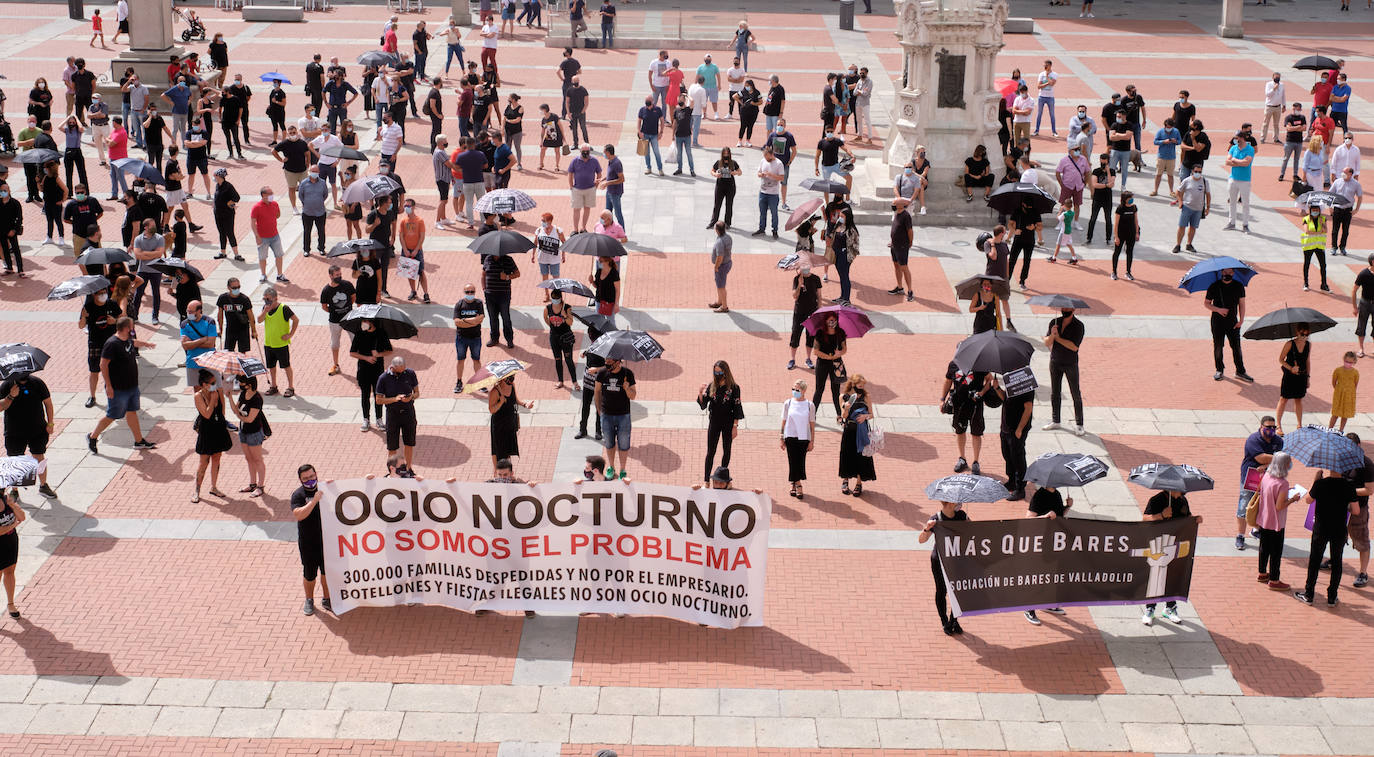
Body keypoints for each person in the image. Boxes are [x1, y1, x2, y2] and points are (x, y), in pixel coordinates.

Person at [87, 317, 157, 454]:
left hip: (132, 386)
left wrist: (146, 343)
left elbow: (133, 342)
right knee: (112, 415)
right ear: (126, 328)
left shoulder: (127, 339)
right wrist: (108, 386)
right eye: (132, 326)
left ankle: (139, 441)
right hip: (118, 389)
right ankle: (92, 437)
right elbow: (103, 364)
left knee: (132, 412)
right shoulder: (112, 344)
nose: (133, 329)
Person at [1296, 468, 1360, 608]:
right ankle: (1332, 596)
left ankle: (1309, 594)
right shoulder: (1348, 485)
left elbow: (1308, 500)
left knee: (1315, 560)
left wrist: (1315, 480)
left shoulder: (1321, 484)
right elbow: (1356, 510)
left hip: (1321, 528)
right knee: (1337, 562)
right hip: (1339, 529)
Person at [1139, 487, 1200, 624]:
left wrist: (1195, 520)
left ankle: (1170, 608)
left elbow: (1187, 517)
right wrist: (1161, 515)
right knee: (1156, 576)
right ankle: (1150, 609)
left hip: (1175, 544)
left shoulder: (1182, 500)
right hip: (1158, 543)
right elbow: (1145, 519)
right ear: (1172, 489)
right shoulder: (1156, 500)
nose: (1183, 493)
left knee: (1173, 576)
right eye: (1181, 490)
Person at [0, 372, 56, 498]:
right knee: (14, 461)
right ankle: (14, 491)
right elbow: (0, 407)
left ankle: (43, 486)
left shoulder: (37, 383)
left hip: (37, 429)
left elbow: (48, 403)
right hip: (14, 431)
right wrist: (11, 396)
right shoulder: (6, 385)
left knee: (39, 456)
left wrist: (50, 423)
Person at [1254, 450, 1301, 593]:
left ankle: (1262, 573)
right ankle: (1274, 580)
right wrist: (1292, 499)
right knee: (1276, 552)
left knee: (1264, 548)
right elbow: (1280, 506)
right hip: (1276, 523)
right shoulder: (1283, 483)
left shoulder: (1266, 476)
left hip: (1263, 518)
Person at [919, 499, 966, 635]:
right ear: (950, 503)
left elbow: (972, 532)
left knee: (958, 592)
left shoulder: (961, 516)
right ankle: (945, 621)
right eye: (957, 502)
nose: (959, 504)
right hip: (939, 561)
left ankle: (954, 620)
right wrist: (927, 528)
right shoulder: (936, 519)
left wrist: (969, 525)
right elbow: (921, 540)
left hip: (957, 560)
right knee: (942, 591)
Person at [290, 464, 332, 616]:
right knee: (310, 574)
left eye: (312, 476)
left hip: (327, 541)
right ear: (300, 480)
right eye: (306, 478)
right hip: (308, 542)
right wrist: (313, 501)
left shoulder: (325, 489)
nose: (310, 480)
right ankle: (309, 599)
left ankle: (327, 598)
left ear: (316, 474)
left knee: (327, 572)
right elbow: (298, 514)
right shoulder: (298, 495)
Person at [1237, 416, 1283, 550]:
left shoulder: (1278, 441)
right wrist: (1276, 458)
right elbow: (1261, 458)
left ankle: (1257, 530)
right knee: (1244, 504)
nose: (1271, 430)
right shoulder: (1253, 440)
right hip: (1251, 476)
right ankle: (1240, 535)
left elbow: (1283, 462)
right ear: (1261, 427)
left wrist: (1269, 464)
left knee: (1264, 505)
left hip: (1270, 478)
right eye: (1268, 427)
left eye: (1273, 427)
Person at [696, 360, 744, 483]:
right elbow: (703, 404)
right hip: (714, 422)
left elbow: (737, 407)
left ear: (726, 372)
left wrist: (735, 426)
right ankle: (706, 480)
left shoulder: (734, 388)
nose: (718, 374)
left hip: (728, 423)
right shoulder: (712, 386)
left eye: (720, 372)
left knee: (726, 450)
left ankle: (723, 478)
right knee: (711, 451)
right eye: (716, 372)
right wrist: (700, 393)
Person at [189, 369, 231, 503]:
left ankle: (214, 487)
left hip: (218, 429)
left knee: (217, 458)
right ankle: (197, 489)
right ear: (204, 384)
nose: (215, 384)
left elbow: (222, 408)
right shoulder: (198, 396)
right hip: (206, 432)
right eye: (212, 383)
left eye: (215, 382)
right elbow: (206, 414)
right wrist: (212, 401)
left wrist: (222, 422)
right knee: (203, 462)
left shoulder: (218, 391)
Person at [79, 283, 123, 408]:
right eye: (100, 293)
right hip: (95, 343)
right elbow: (81, 326)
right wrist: (83, 316)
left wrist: (114, 321)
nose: (103, 295)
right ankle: (92, 396)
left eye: (105, 292)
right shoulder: (88, 307)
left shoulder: (112, 304)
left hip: (111, 343)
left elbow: (123, 319)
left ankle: (115, 396)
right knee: (94, 371)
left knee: (113, 370)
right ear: (94, 295)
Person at [1206, 268, 1251, 383]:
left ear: (1233, 273)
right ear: (1221, 272)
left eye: (1230, 272)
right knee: (1218, 346)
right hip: (1217, 321)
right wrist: (1218, 310)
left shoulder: (1239, 286)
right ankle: (1219, 370)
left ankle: (1240, 371)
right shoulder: (1214, 286)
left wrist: (1241, 320)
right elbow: (1206, 303)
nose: (1227, 274)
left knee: (1236, 347)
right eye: (1225, 272)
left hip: (1233, 322)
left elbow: (1242, 304)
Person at [594, 357, 636, 479]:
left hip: (623, 416)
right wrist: (599, 410)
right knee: (609, 443)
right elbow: (597, 391)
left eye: (609, 363)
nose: (607, 365)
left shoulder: (628, 374)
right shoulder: (602, 373)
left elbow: (633, 396)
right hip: (606, 415)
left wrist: (627, 388)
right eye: (606, 362)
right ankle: (611, 467)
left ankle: (623, 469)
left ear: (618, 363)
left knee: (623, 444)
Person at [376, 356, 419, 469]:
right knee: (392, 446)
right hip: (392, 414)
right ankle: (393, 470)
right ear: (393, 368)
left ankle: (409, 468)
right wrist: (394, 399)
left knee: (409, 443)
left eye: (403, 370)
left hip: (408, 413)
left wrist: (411, 398)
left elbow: (417, 393)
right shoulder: (383, 378)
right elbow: (378, 400)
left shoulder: (410, 373)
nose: (402, 373)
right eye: (399, 372)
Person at [350, 317, 391, 433]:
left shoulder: (381, 333)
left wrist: (378, 354)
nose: (363, 324)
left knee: (378, 395)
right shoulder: (359, 334)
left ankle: (379, 419)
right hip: (363, 370)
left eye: (366, 321)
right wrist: (366, 358)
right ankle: (366, 419)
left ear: (372, 323)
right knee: (365, 394)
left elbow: (389, 350)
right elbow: (352, 353)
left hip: (378, 370)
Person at [489, 372, 533, 476]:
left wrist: (525, 404)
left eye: (513, 376)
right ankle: (497, 473)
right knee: (499, 449)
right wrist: (500, 402)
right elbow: (491, 409)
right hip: (499, 424)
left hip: (510, 421)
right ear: (503, 377)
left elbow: (515, 400)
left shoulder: (512, 386)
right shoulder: (495, 391)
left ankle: (509, 473)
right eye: (509, 377)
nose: (512, 378)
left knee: (508, 449)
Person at [838, 375, 876, 497]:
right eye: (860, 385)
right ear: (853, 384)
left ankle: (859, 483)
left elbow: (871, 414)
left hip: (862, 430)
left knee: (861, 455)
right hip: (849, 429)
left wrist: (865, 417)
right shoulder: (843, 397)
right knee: (846, 454)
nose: (862, 388)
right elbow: (843, 416)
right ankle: (845, 480)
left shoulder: (866, 396)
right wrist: (846, 408)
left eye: (863, 385)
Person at [996, 375, 1032, 501]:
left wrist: (1020, 429)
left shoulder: (1026, 382)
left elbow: (1028, 409)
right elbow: (1005, 399)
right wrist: (997, 389)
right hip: (1006, 427)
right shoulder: (1009, 379)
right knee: (1007, 454)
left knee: (1018, 457)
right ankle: (1011, 481)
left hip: (1017, 429)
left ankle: (1020, 488)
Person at [258, 287, 297, 397]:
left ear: (275, 298)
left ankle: (290, 387)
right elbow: (259, 320)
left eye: (269, 299)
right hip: (269, 344)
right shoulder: (265, 308)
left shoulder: (284, 308)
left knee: (286, 365)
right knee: (271, 367)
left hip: (281, 344)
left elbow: (296, 320)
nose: (267, 301)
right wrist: (265, 311)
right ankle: (274, 386)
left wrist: (290, 334)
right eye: (265, 299)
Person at [1274, 324, 1312, 433]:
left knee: (1299, 399)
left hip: (1302, 375)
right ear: (1297, 333)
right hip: (1289, 376)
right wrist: (1291, 368)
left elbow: (1307, 361)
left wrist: (1308, 377)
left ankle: (1299, 424)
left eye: (1307, 334)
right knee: (1284, 398)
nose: (1304, 336)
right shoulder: (1289, 344)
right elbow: (1281, 359)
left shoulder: (1308, 345)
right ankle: (1278, 425)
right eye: (1302, 334)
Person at [319, 266, 355, 375]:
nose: (339, 277)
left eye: (340, 274)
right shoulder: (326, 290)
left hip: (349, 319)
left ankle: (361, 365)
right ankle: (336, 365)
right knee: (335, 344)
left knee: (356, 342)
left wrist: (347, 308)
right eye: (337, 275)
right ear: (330, 276)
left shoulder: (347, 285)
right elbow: (324, 306)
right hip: (335, 321)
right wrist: (334, 311)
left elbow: (353, 297)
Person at [811, 312, 847, 419]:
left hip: (836, 364)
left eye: (834, 320)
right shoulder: (820, 333)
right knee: (819, 390)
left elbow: (844, 349)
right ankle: (812, 414)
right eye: (829, 320)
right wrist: (829, 357)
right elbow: (816, 351)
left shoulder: (840, 333)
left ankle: (839, 415)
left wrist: (839, 353)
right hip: (822, 363)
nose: (832, 322)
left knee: (836, 390)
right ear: (825, 321)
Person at [483, 247, 519, 348]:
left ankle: (509, 339)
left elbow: (517, 274)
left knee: (506, 318)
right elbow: (483, 274)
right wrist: (484, 289)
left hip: (504, 295)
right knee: (493, 318)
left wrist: (507, 277)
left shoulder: (508, 260)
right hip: (490, 295)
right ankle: (494, 338)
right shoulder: (488, 259)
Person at [788, 262, 821, 370]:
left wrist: (819, 310)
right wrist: (799, 285)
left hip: (812, 312)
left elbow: (819, 296)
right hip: (799, 312)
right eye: (803, 267)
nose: (805, 268)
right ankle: (792, 359)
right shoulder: (796, 278)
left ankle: (808, 358)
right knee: (795, 334)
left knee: (810, 336)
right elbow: (794, 296)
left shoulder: (816, 279)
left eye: (807, 266)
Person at [250, 186, 286, 284]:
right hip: (262, 237)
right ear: (263, 195)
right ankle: (263, 274)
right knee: (262, 257)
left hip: (275, 235)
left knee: (279, 255)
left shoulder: (275, 204)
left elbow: (278, 215)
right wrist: (257, 236)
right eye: (270, 194)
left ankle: (279, 274)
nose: (272, 196)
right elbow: (253, 223)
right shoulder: (256, 207)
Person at [542, 290, 577, 389]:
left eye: (556, 298)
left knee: (568, 360)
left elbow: (570, 322)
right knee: (557, 360)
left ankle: (574, 381)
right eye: (553, 298)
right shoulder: (548, 308)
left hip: (566, 338)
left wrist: (565, 316)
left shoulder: (567, 308)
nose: (554, 300)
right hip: (554, 338)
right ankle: (560, 380)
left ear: (561, 298)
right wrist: (552, 326)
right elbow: (545, 318)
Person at [1171, 164, 1209, 254]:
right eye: (1196, 171)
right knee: (1182, 226)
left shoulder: (1204, 181)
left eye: (1199, 172)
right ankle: (1178, 244)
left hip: (1198, 209)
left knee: (1193, 227)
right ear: (1192, 171)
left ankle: (1189, 244)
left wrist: (1208, 207)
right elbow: (1178, 191)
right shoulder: (1187, 180)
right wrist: (1180, 202)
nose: (1198, 173)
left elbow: (1208, 194)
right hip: (1187, 207)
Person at [180, 300, 217, 388]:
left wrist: (192, 343)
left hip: (209, 361)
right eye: (188, 311)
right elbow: (185, 346)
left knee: (212, 389)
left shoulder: (209, 322)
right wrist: (202, 339)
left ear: (199, 311)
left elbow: (210, 344)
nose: (189, 314)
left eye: (191, 312)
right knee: (197, 391)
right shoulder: (184, 324)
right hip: (192, 362)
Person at [1223, 131, 1255, 233]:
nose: (1235, 140)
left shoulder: (1250, 149)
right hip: (1233, 179)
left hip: (1245, 180)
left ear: (1242, 138)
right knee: (1232, 202)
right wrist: (1239, 162)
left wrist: (1234, 160)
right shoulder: (1233, 148)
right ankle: (1231, 222)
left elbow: (1247, 163)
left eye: (1237, 138)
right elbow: (1227, 161)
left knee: (1245, 203)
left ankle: (1245, 224)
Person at [1330, 164, 1362, 257]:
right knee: (1335, 230)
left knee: (1345, 230)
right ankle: (1334, 247)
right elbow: (1330, 194)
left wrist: (1356, 209)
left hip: (1347, 210)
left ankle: (1342, 247)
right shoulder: (1337, 182)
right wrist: (1330, 207)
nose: (1343, 174)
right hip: (1337, 209)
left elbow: (1360, 197)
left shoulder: (1356, 184)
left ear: (1351, 174)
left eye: (1345, 172)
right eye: (1342, 172)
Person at [754, 145, 784, 238]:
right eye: (764, 156)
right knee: (762, 212)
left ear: (771, 155)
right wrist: (761, 174)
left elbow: (782, 177)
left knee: (774, 213)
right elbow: (758, 173)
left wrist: (772, 175)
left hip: (773, 193)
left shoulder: (779, 163)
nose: (765, 158)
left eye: (766, 156)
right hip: (763, 192)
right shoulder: (763, 161)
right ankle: (761, 228)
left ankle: (775, 230)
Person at [888, 197, 914, 301]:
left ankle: (910, 290)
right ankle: (899, 287)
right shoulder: (896, 214)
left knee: (904, 267)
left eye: (895, 203)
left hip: (902, 246)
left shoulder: (906, 216)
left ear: (901, 205)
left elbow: (910, 231)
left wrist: (910, 242)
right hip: (894, 245)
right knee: (896, 265)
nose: (893, 204)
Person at [708, 147, 741, 228]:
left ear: (729, 154)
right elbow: (712, 170)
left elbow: (740, 172)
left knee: (729, 205)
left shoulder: (733, 163)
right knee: (717, 204)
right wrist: (715, 174)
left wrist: (735, 172)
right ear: (722, 154)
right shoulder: (719, 162)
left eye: (727, 153)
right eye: (724, 153)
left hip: (730, 186)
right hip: (720, 186)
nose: (726, 155)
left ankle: (727, 223)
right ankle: (713, 221)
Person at [1300, 204, 1329, 292]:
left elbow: (1326, 230)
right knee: (1307, 264)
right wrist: (1319, 232)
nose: (1315, 212)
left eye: (1317, 210)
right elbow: (1307, 231)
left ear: (1319, 211)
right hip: (1309, 245)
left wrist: (1322, 224)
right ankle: (1306, 283)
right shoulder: (1306, 219)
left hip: (1319, 246)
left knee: (1323, 265)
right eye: (1313, 210)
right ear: (1310, 211)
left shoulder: (1323, 219)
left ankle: (1324, 284)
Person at [1110, 191, 1138, 280]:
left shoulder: (1134, 207)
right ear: (1125, 199)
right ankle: (1114, 272)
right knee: (1117, 252)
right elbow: (1116, 224)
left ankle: (1128, 272)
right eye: (1130, 198)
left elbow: (1136, 221)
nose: (1132, 200)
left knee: (1129, 252)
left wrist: (1137, 233)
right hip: (1121, 234)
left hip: (1131, 234)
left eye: (1132, 198)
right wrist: (1116, 236)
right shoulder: (1120, 208)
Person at [1151, 117, 1181, 197]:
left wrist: (1175, 141)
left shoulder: (1176, 131)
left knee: (1170, 175)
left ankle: (1171, 191)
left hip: (1171, 157)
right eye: (1167, 127)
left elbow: (1180, 141)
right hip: (1161, 156)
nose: (1169, 129)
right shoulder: (1160, 131)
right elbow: (1155, 141)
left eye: (1170, 127)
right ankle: (1155, 190)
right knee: (1158, 174)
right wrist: (1163, 141)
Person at [1331, 351, 1359, 431]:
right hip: (1339, 394)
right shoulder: (1338, 370)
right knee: (1335, 414)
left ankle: (1341, 430)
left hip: (1349, 395)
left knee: (1345, 415)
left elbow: (1355, 384)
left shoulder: (1355, 372)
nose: (1348, 363)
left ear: (1354, 362)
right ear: (1343, 360)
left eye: (1350, 362)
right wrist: (1338, 390)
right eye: (1346, 361)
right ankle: (1329, 429)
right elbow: (1334, 382)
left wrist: (1350, 393)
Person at [637, 96, 664, 176]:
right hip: (645, 134)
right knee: (646, 153)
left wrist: (661, 132)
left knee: (656, 152)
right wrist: (639, 132)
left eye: (649, 103)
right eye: (646, 103)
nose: (648, 106)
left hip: (654, 135)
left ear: (653, 102)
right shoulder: (642, 110)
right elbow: (639, 121)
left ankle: (660, 169)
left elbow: (662, 120)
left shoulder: (658, 110)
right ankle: (648, 168)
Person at [670, 93, 695, 177]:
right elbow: (674, 122)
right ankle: (679, 168)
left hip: (687, 135)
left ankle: (692, 169)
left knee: (689, 153)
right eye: (678, 99)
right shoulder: (676, 110)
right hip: (678, 136)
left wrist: (686, 95)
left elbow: (692, 101)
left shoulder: (688, 110)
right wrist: (672, 134)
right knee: (679, 154)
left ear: (684, 100)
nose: (679, 101)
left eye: (681, 99)